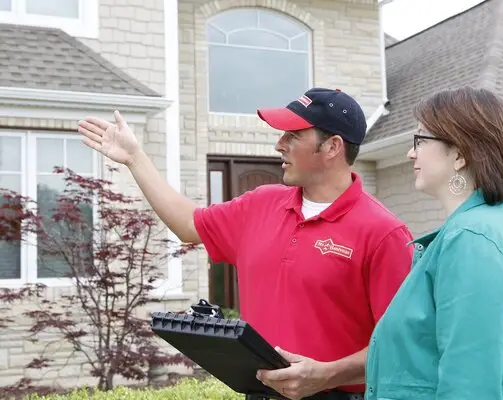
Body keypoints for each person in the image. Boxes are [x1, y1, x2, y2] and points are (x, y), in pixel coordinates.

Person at [78, 87, 414, 400]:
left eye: (293, 135)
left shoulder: (384, 234)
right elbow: (187, 224)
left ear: (332, 147)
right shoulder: (261, 204)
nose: (279, 144)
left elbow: (403, 344)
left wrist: (327, 374)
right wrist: (135, 158)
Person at [364, 86, 503, 400]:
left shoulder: (473, 239)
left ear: (459, 154)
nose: (411, 153)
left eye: (420, 140)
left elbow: (469, 388)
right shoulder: (480, 227)